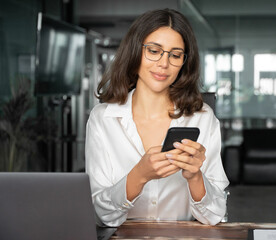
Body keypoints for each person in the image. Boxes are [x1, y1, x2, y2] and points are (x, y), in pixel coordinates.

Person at [85, 8, 229, 227]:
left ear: (183, 62)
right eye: (154, 50)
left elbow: (214, 215)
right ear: (135, 52)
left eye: (175, 54)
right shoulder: (103, 119)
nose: (164, 63)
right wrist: (139, 176)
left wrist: (195, 177)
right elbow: (99, 215)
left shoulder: (202, 118)